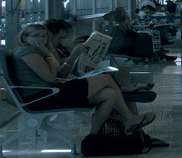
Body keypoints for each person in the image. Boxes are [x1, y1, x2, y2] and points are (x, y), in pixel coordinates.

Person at [9, 24, 155, 138]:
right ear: (24, 38)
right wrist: (48, 56)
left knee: (109, 93)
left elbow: (60, 74)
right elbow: (50, 78)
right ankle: (129, 117)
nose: (40, 39)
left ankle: (93, 136)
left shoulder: (36, 51)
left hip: (52, 91)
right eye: (36, 36)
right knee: (105, 78)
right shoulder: (27, 52)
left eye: (43, 36)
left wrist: (74, 56)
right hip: (42, 97)